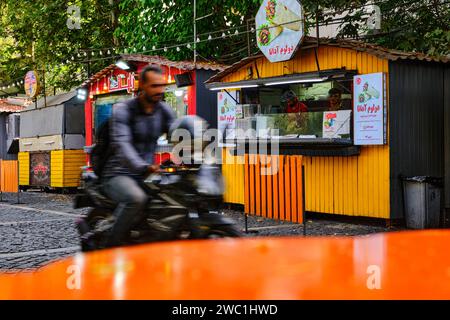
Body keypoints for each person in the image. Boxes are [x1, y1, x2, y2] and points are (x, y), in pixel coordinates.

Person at [100, 65, 175, 247]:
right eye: (154, 86)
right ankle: (109, 245)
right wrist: (143, 166)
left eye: (162, 86)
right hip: (118, 173)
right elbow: (122, 144)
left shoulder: (163, 110)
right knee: (136, 199)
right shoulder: (124, 110)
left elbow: (179, 132)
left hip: (146, 174)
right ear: (142, 85)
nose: (160, 90)